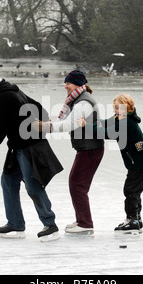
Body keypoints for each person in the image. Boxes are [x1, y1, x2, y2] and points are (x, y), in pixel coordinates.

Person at [0, 71, 63, 242]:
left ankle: (50, 224)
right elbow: (37, 105)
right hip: (19, 147)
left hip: (28, 148)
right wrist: (44, 118)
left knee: (33, 185)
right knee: (8, 181)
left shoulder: (3, 98)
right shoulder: (14, 91)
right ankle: (15, 223)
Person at [35, 71, 104, 235]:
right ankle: (83, 220)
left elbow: (70, 124)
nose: (65, 86)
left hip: (90, 149)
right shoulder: (77, 100)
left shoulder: (83, 102)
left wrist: (47, 128)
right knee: (77, 184)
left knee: (77, 185)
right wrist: (49, 123)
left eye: (68, 83)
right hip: (87, 148)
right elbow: (65, 120)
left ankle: (85, 223)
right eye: (65, 83)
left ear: (78, 84)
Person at [79, 94, 143, 234]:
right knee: (134, 190)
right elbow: (104, 123)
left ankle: (133, 220)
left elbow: (106, 133)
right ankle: (135, 218)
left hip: (140, 161)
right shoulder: (119, 118)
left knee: (131, 190)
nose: (117, 110)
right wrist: (91, 121)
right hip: (136, 161)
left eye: (120, 108)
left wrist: (86, 126)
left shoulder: (127, 123)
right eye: (115, 108)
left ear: (128, 108)